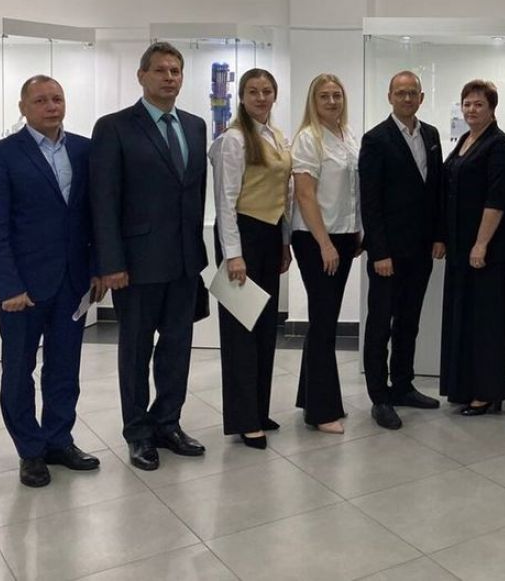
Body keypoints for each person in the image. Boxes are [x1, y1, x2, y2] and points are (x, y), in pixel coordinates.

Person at [0, 75, 104, 488]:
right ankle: (30, 450)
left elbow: (97, 216)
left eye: (57, 99)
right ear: (23, 107)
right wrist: (7, 286)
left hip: (73, 281)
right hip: (24, 287)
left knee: (65, 367)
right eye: (41, 100)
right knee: (19, 370)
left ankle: (58, 440)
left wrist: (97, 268)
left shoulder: (84, 150)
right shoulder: (0, 156)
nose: (51, 106)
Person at [91, 42, 209, 472]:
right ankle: (138, 433)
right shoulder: (115, 127)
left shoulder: (195, 126)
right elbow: (103, 199)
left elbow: (194, 193)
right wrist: (110, 262)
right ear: (141, 76)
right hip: (136, 264)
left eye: (175, 70)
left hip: (183, 261)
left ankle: (168, 423)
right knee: (136, 351)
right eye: (160, 70)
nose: (169, 77)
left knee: (178, 348)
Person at [208, 68, 292, 450]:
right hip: (242, 236)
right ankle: (244, 419)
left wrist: (284, 243)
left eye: (267, 91)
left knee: (264, 329)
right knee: (240, 332)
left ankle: (259, 408)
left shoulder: (275, 135)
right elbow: (225, 201)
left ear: (275, 95)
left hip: (270, 236)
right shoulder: (234, 139)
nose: (261, 97)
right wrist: (233, 255)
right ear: (241, 97)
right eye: (253, 91)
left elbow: (284, 194)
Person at [359, 70, 445, 431]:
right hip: (388, 254)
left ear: (421, 98)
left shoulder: (431, 135)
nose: (407, 98)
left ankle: (403, 385)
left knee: (409, 321)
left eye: (413, 93)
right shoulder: (375, 139)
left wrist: (439, 236)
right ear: (390, 97)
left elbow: (436, 191)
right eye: (401, 93)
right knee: (381, 324)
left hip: (421, 249)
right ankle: (380, 397)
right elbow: (370, 200)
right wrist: (379, 252)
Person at [440, 79, 505, 415]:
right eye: (467, 104)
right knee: (464, 318)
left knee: (485, 321)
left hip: (485, 250)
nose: (471, 110)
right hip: (461, 247)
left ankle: (487, 392)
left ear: (492, 108)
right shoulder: (465, 141)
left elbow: (497, 199)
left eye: (478, 104)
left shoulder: (499, 145)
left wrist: (481, 243)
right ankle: (464, 387)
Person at [291, 73, 360, 434]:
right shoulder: (308, 138)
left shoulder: (347, 135)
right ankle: (321, 412)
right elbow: (305, 195)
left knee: (325, 319)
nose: (332, 102)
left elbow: (351, 191)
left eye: (337, 95)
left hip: (344, 237)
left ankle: (311, 397)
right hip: (317, 240)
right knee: (323, 322)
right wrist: (325, 243)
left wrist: (357, 230)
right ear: (313, 101)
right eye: (324, 96)